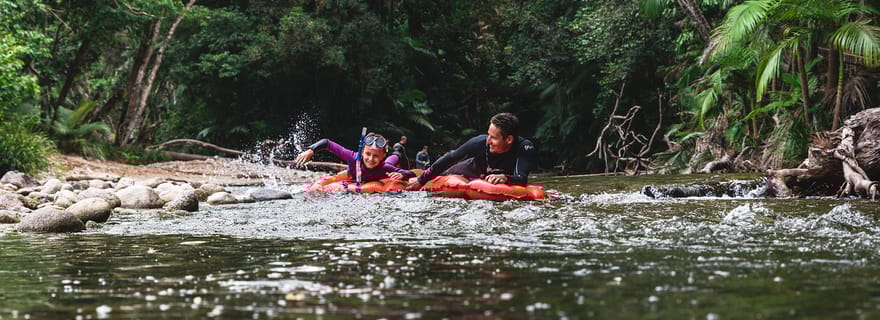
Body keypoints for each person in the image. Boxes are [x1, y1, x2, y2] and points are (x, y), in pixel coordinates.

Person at [407, 112, 535, 189]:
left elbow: (522, 178)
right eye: (488, 135)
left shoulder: (524, 147)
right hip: (466, 170)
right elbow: (450, 158)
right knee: (446, 173)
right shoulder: (479, 143)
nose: (488, 141)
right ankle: (410, 174)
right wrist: (420, 180)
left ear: (509, 140)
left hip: (490, 178)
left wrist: (505, 178)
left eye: (494, 138)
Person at [294, 133, 415, 183]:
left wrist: (403, 175)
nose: (371, 159)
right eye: (368, 154)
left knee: (394, 158)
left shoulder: (386, 167)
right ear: (361, 152)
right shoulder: (353, 157)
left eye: (376, 156)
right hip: (354, 172)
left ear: (383, 156)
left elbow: (412, 174)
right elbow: (327, 143)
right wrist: (311, 150)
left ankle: (398, 150)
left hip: (383, 168)